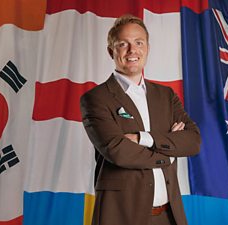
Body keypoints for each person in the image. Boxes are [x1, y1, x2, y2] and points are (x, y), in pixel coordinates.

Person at [80, 14, 201, 225]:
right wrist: (169, 153)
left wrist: (142, 138)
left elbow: (192, 141)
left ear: (147, 48)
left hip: (168, 215)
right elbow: (117, 151)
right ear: (111, 51)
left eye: (138, 43)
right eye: (123, 44)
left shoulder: (166, 95)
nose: (132, 50)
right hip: (121, 215)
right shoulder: (96, 99)